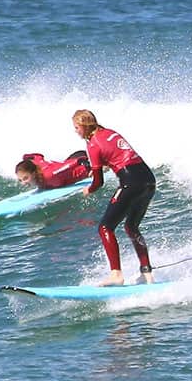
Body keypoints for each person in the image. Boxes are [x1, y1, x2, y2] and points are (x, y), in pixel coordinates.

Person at [73, 109, 157, 287]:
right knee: (131, 227)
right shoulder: (110, 132)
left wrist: (89, 189)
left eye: (76, 127)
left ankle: (116, 274)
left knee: (105, 227)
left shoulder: (92, 144)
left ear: (84, 126)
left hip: (130, 182)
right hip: (149, 179)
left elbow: (98, 182)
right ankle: (147, 274)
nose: (76, 131)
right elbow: (116, 154)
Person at [15, 151, 91, 190]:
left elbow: (66, 166)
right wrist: (25, 158)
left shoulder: (49, 175)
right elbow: (38, 156)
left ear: (34, 174)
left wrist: (86, 163)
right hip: (71, 159)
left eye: (25, 178)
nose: (23, 183)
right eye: (20, 180)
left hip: (83, 168)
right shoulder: (37, 165)